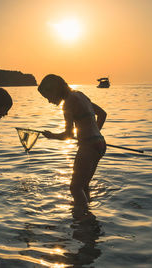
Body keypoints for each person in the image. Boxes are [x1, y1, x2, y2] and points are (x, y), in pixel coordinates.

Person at [38, 74, 107, 213]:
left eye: (48, 96)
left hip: (88, 147)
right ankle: (88, 212)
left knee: (75, 188)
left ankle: (83, 218)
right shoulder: (80, 95)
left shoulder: (67, 104)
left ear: (55, 90)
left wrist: (51, 136)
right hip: (100, 144)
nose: (49, 101)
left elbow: (68, 135)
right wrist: (94, 135)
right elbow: (102, 114)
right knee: (84, 185)